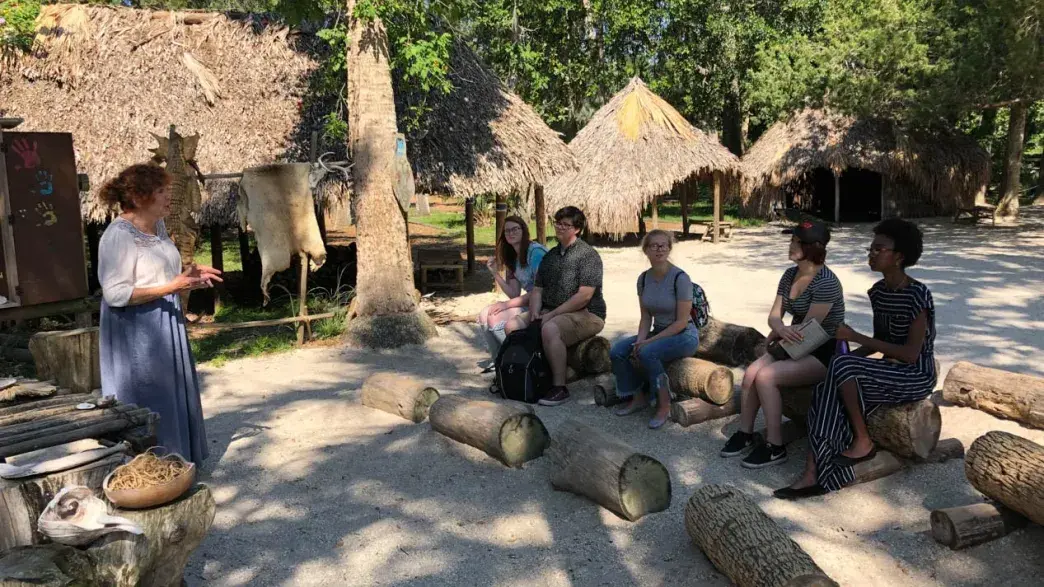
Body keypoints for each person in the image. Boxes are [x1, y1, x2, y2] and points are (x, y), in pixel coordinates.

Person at [776, 218, 936, 499]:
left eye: (879, 249)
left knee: (840, 365)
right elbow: (883, 344)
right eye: (871, 248)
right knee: (828, 382)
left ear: (899, 257)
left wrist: (854, 340)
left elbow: (911, 354)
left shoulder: (917, 295)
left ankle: (862, 440)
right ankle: (816, 471)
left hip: (916, 375)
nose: (871, 253)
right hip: (888, 370)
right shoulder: (879, 293)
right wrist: (849, 355)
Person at [97, 163, 221, 465]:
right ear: (140, 198)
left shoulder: (157, 227)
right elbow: (115, 294)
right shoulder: (119, 236)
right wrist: (172, 285)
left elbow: (156, 273)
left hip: (165, 320)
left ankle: (175, 462)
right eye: (162, 191)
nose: (169, 197)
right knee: (147, 397)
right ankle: (148, 469)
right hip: (136, 330)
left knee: (169, 394)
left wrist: (186, 274)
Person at [720, 219, 845, 468]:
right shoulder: (789, 275)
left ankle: (775, 446)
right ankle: (746, 433)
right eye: (792, 240)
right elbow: (774, 315)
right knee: (750, 374)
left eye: (797, 242)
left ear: (814, 247)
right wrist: (779, 329)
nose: (790, 245)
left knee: (766, 377)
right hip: (793, 341)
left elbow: (810, 331)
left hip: (823, 351)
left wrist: (779, 336)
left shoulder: (827, 283)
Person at [610, 230, 700, 429]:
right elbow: (645, 317)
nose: (659, 249)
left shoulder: (680, 278)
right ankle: (637, 395)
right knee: (618, 351)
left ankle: (664, 404)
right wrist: (640, 340)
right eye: (654, 246)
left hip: (684, 335)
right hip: (658, 332)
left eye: (663, 245)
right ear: (646, 250)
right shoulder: (643, 279)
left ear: (669, 248)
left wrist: (648, 342)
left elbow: (681, 322)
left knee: (648, 352)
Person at [529, 206, 606, 406]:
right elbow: (537, 289)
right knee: (513, 325)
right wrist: (534, 311)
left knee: (550, 328)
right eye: (558, 223)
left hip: (587, 313)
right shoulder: (550, 256)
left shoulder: (588, 256)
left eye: (566, 224)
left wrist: (551, 314)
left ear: (577, 229)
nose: (560, 227)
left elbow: (584, 296)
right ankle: (521, 373)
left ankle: (559, 387)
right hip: (551, 309)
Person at [477, 216, 548, 371]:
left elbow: (540, 290)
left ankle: (514, 359)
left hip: (544, 302)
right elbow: (514, 293)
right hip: (529, 301)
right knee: (484, 315)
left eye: (515, 229)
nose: (511, 233)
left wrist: (505, 305)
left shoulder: (535, 253)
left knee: (495, 319)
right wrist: (495, 273)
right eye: (507, 230)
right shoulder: (512, 257)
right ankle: (499, 360)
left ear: (524, 230)